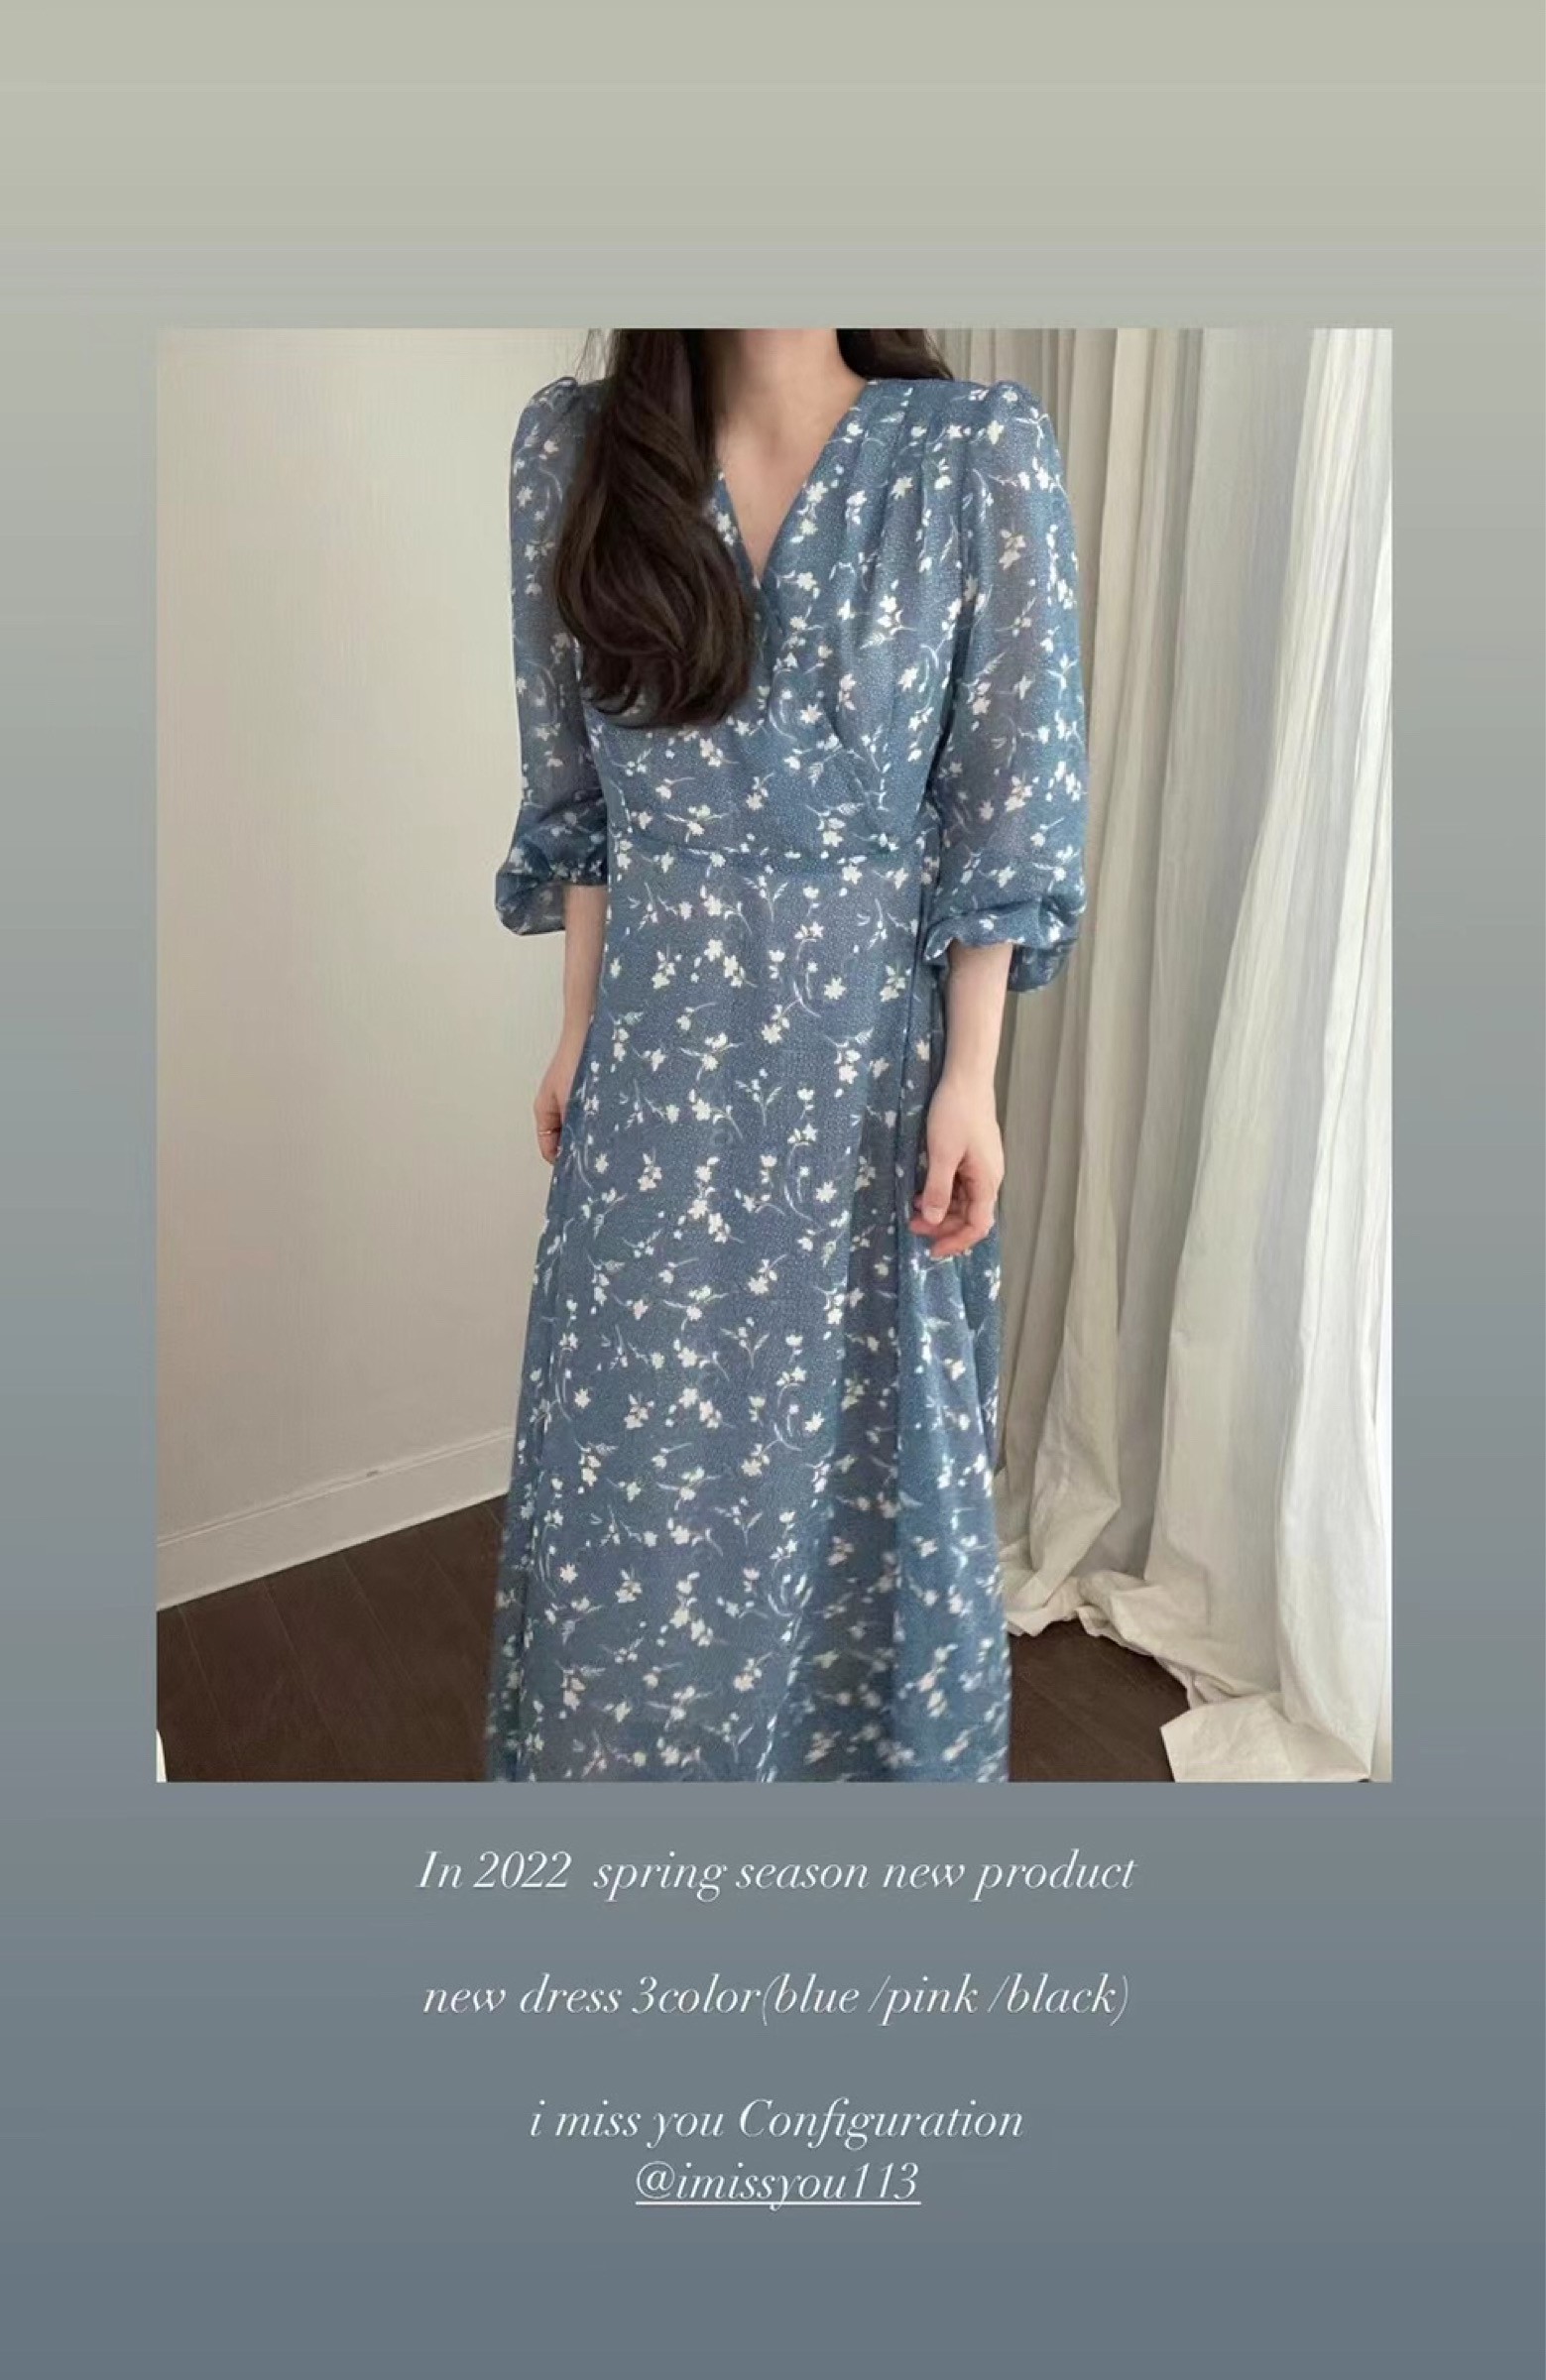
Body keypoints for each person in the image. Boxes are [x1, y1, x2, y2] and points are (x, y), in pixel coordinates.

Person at [483, 328, 1088, 1782]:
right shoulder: (573, 455)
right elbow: (577, 805)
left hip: (868, 1089)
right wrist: (577, 1030)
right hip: (656, 1087)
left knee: (861, 1491)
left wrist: (971, 1079)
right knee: (636, 1504)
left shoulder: (971, 454)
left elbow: (1007, 802)